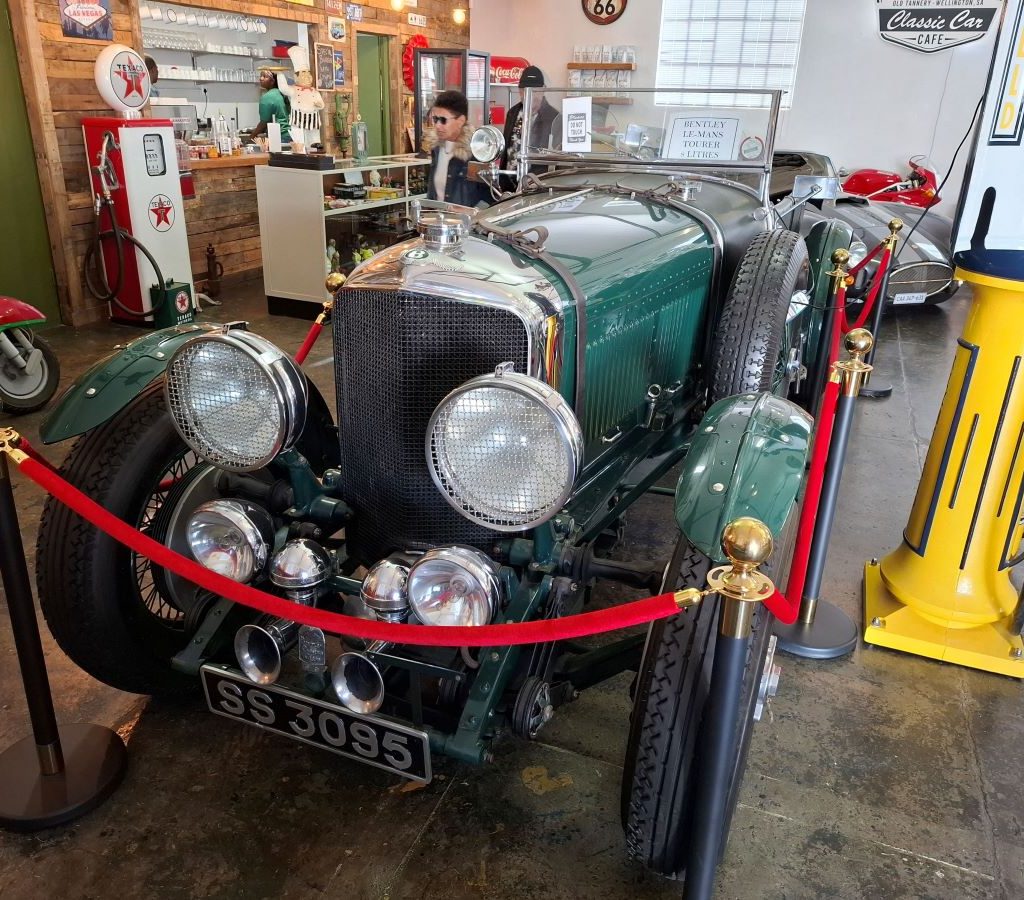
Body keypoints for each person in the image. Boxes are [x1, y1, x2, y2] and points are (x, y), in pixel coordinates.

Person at [425, 89, 489, 208]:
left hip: (465, 224)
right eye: (435, 119)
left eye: (443, 120)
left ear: (461, 121)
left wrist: (471, 217)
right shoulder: (437, 149)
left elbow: (488, 198)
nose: (437, 125)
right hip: (438, 222)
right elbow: (433, 194)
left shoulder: (477, 152)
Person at [500, 66, 559, 191]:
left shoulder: (554, 118)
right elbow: (506, 149)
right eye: (524, 91)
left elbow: (557, 159)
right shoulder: (513, 112)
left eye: (535, 91)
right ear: (520, 91)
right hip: (509, 185)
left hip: (537, 186)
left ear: (543, 90)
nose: (529, 95)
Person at [251, 69, 291, 143]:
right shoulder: (283, 93)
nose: (261, 78)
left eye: (264, 76)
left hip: (279, 136)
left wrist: (252, 135)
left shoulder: (267, 97)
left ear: (272, 81)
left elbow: (264, 122)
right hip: (291, 134)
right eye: (261, 76)